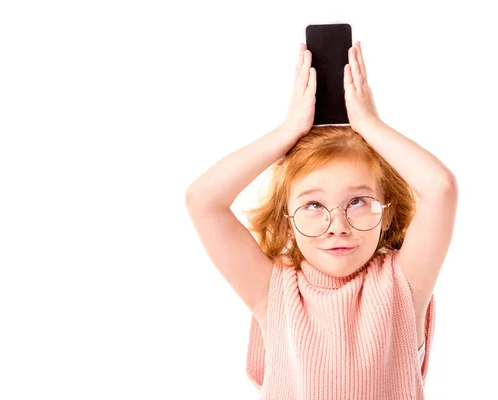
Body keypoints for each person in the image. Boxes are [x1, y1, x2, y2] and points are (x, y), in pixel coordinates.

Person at [184, 40, 458, 399]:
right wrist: (288, 131)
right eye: (313, 205)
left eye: (358, 201)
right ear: (286, 221)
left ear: (387, 214)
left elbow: (440, 188)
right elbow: (202, 200)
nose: (337, 225)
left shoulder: (403, 286)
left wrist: (369, 124)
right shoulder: (274, 291)